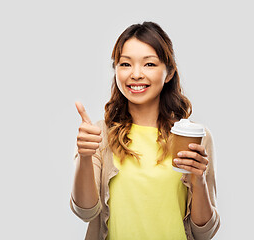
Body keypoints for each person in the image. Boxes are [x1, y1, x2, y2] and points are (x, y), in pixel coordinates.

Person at [70, 21, 220, 240]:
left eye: (149, 64)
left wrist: (199, 180)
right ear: (116, 71)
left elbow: (204, 232)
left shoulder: (195, 138)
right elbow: (85, 211)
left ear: (168, 73)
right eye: (125, 64)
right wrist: (84, 156)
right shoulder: (99, 135)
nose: (136, 74)